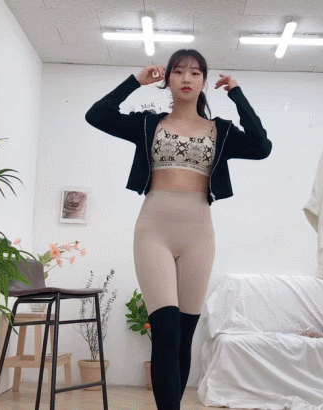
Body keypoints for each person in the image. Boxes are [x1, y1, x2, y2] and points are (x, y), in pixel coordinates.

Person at [85, 49, 272, 410]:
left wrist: (237, 94)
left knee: (184, 335)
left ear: (204, 82)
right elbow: (97, 115)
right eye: (179, 71)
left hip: (199, 233)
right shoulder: (148, 124)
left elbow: (261, 145)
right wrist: (135, 81)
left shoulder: (220, 130)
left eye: (195, 72)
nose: (187, 78)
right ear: (167, 79)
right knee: (166, 330)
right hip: (153, 229)